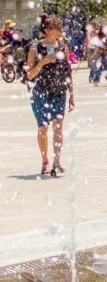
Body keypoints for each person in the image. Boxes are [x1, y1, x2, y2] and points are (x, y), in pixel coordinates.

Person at [24, 16, 75, 177]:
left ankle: (57, 162)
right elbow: (29, 75)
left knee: (58, 127)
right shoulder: (35, 48)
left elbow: (68, 70)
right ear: (47, 30)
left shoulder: (63, 46)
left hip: (59, 91)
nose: (61, 32)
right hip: (40, 92)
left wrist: (72, 94)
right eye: (57, 29)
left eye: (61, 29)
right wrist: (42, 63)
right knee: (43, 128)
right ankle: (45, 161)